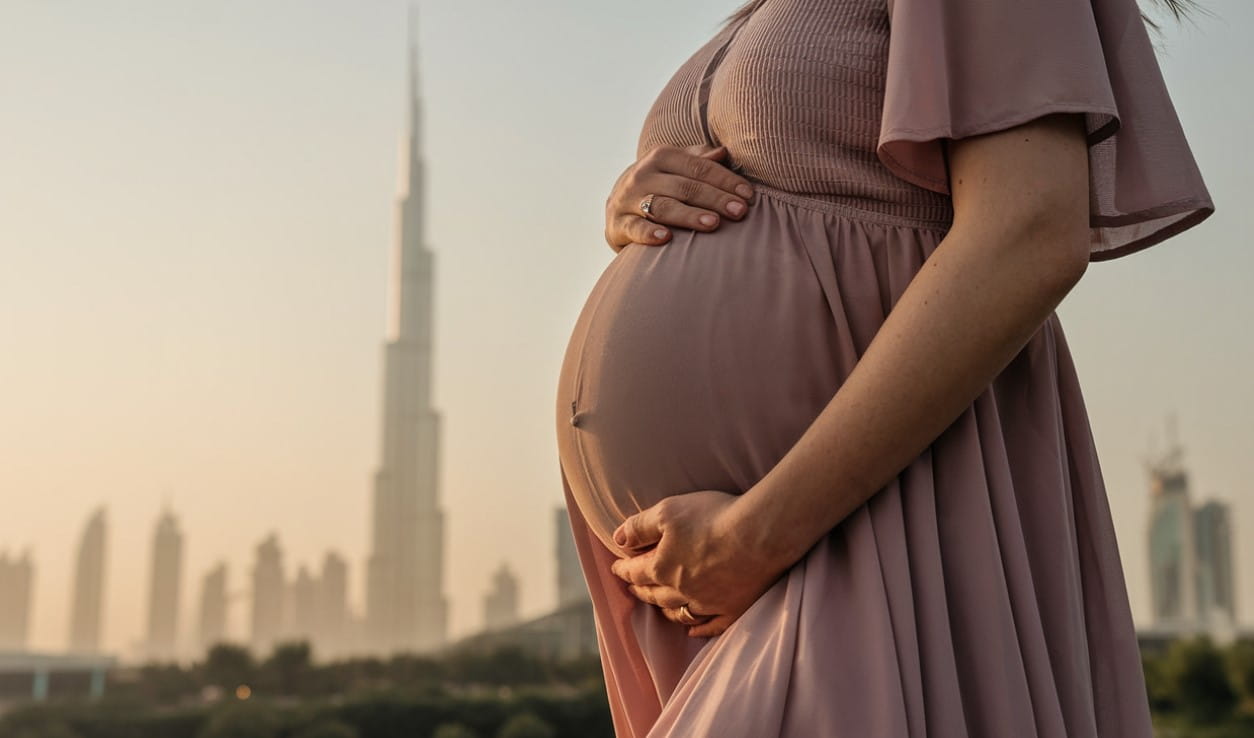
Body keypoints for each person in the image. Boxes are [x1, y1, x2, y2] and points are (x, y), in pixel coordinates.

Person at [553, 0, 1214, 735]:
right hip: (701, 584)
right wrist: (638, 206)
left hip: (858, 522)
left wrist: (756, 536)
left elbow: (1029, 229)